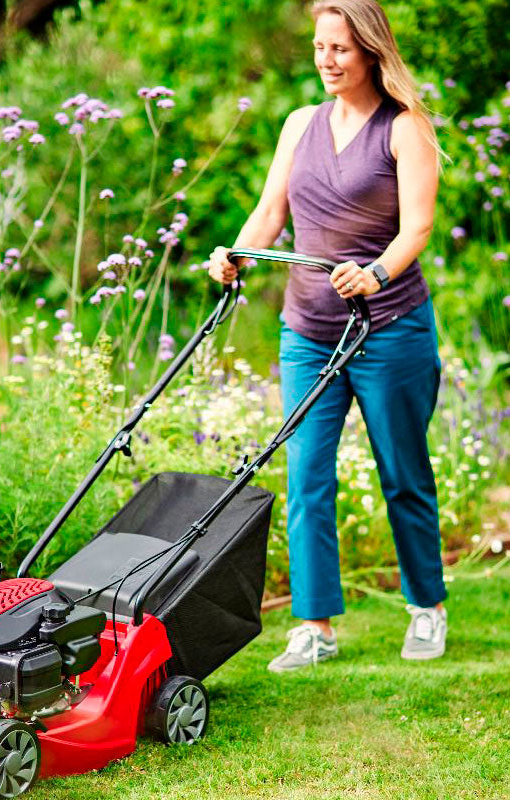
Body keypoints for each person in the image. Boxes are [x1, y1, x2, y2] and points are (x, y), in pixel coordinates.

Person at [208, 0, 448, 671]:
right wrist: (236, 253)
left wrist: (374, 274)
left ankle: (427, 608)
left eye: (339, 48)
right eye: (319, 47)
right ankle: (314, 626)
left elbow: (417, 228)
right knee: (307, 476)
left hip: (390, 329)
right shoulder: (299, 125)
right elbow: (270, 211)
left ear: (370, 50)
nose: (326, 60)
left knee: (403, 474)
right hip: (309, 333)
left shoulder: (405, 128)